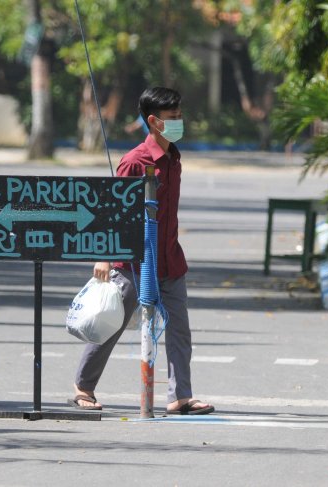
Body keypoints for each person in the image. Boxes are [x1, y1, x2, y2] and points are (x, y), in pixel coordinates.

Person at [70, 87, 214, 415]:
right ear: (154, 121)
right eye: (173, 117)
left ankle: (180, 397)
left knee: (179, 330)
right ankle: (83, 386)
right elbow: (112, 210)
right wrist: (104, 256)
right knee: (111, 322)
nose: (179, 122)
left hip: (170, 260)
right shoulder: (135, 162)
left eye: (180, 115)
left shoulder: (174, 158)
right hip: (134, 263)